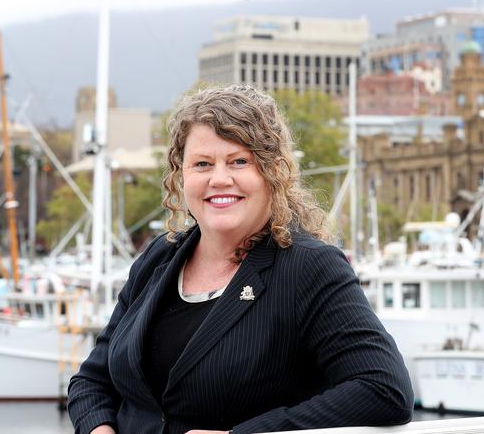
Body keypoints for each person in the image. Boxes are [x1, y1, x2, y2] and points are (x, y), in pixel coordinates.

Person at [68, 85, 413, 434]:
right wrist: (98, 428)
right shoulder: (159, 257)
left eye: (239, 162)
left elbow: (384, 388)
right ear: (181, 174)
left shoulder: (309, 267)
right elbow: (91, 381)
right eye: (202, 164)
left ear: (273, 172)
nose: (219, 179)